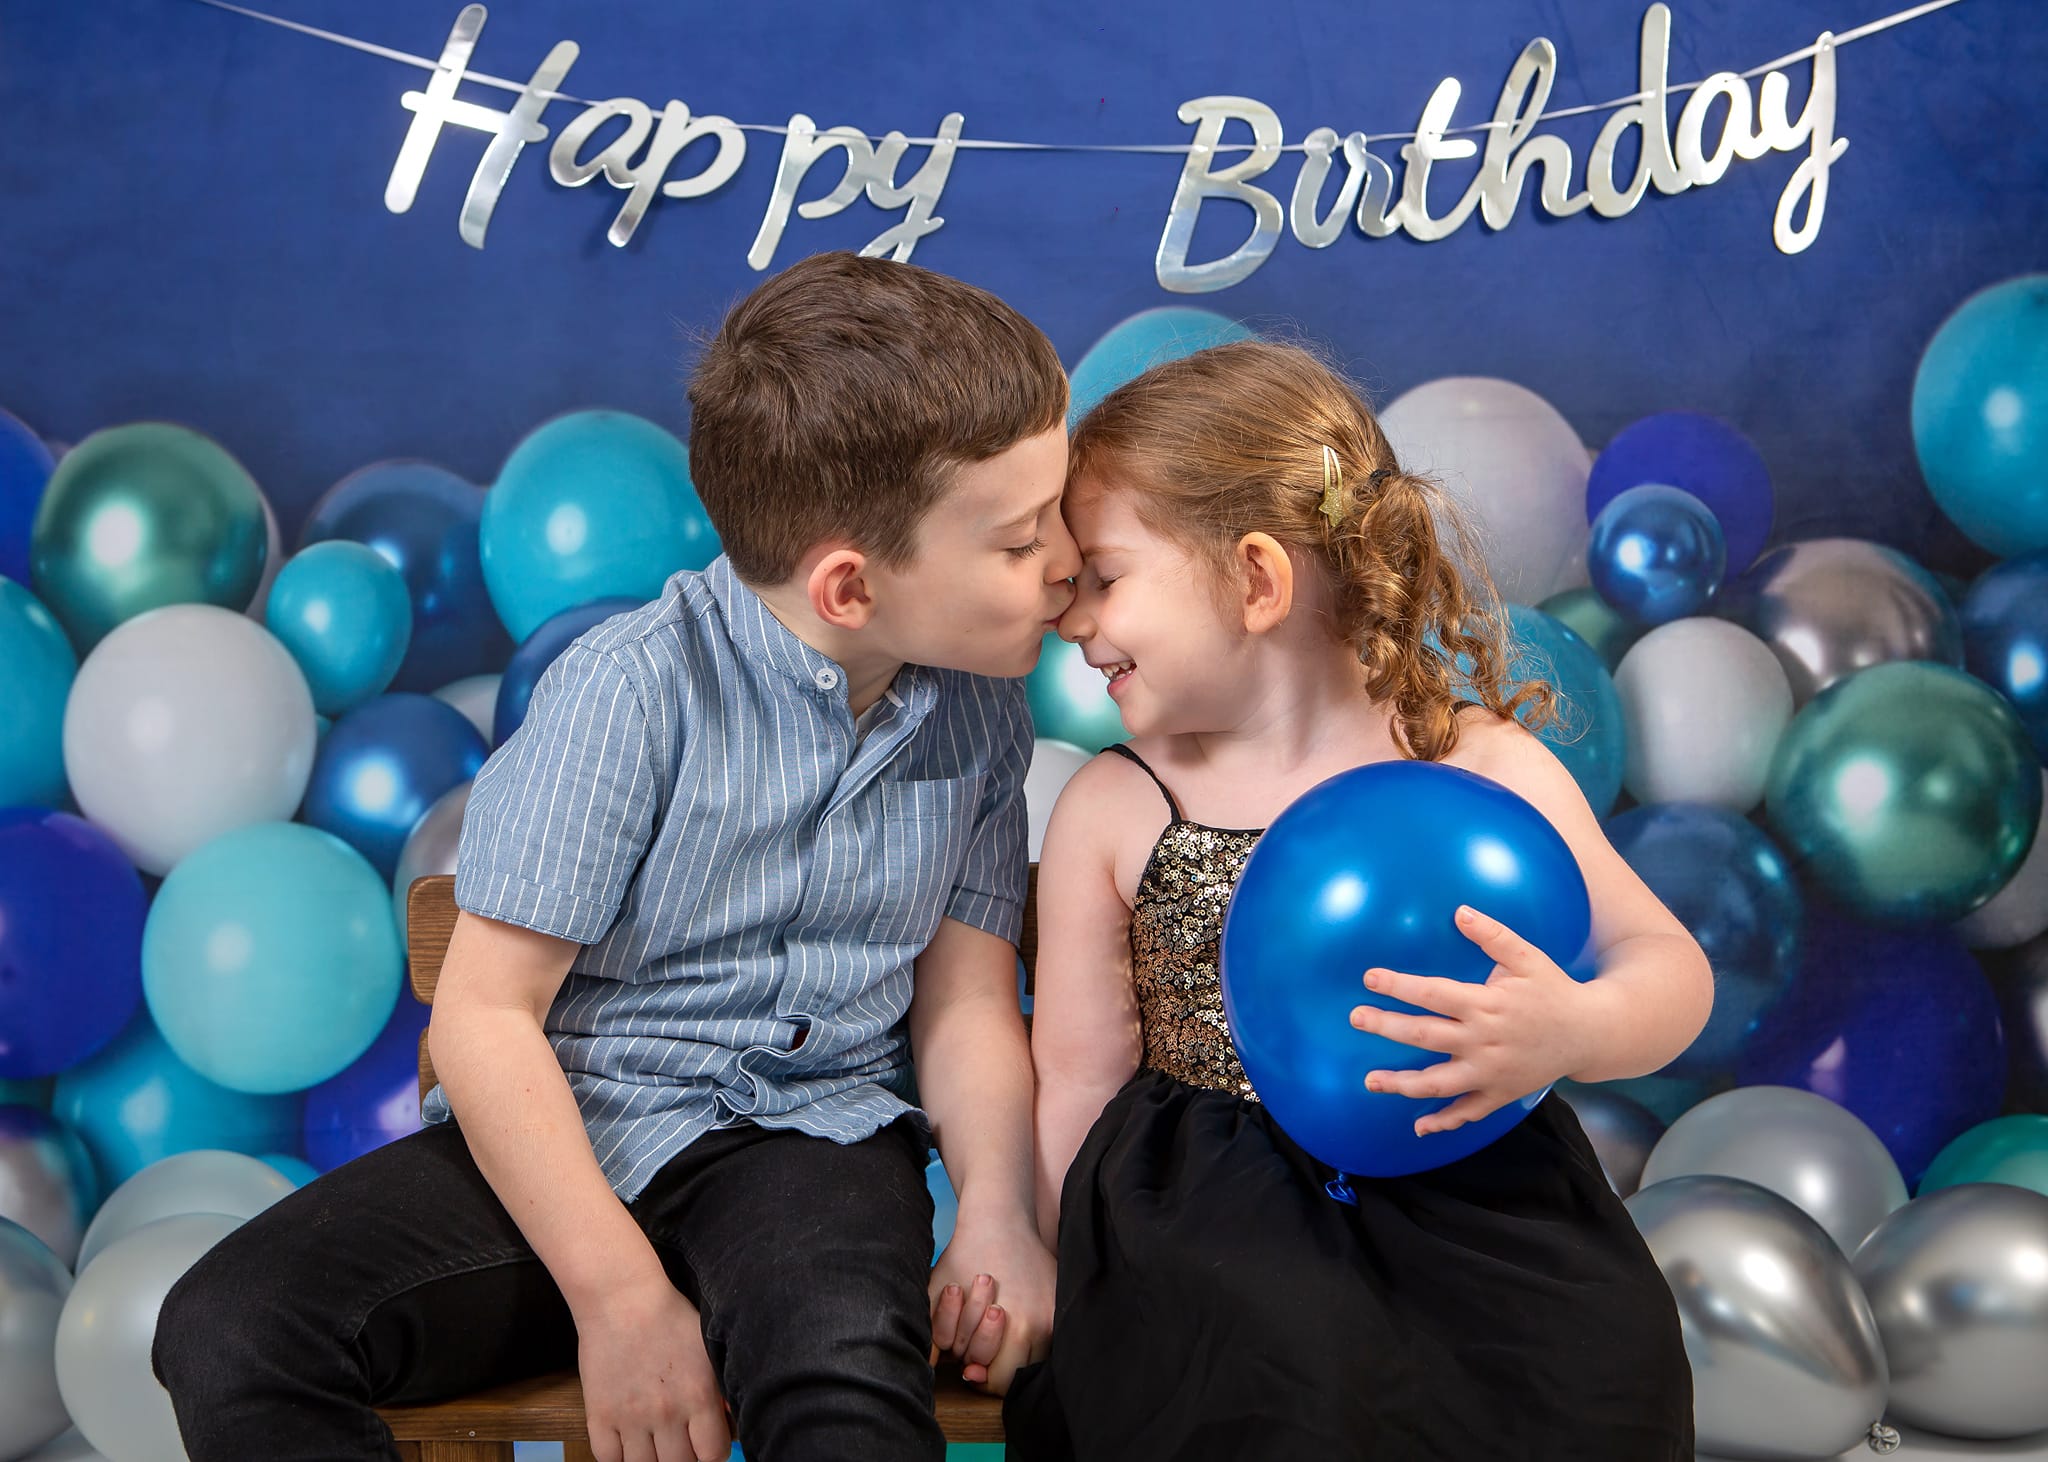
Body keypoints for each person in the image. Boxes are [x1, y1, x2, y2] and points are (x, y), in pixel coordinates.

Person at [153, 252, 1075, 1462]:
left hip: (814, 1145)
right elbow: (487, 1020)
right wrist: (620, 1298)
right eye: (1019, 541)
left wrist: (1000, 1215)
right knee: (229, 1327)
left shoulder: (977, 711)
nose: (1067, 560)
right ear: (849, 587)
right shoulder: (629, 694)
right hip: (571, 1137)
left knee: (842, 1388)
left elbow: (964, 1000)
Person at [1004, 340, 1710, 1461]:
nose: (1070, 620)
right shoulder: (1119, 804)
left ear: (1256, 580)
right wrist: (1058, 1265)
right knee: (1296, 1386)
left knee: (1607, 1361)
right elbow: (1078, 1079)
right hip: (1209, 1219)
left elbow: (1668, 970)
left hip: (1474, 1182)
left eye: (1104, 577)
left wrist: (1574, 1025)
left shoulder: (1475, 764)